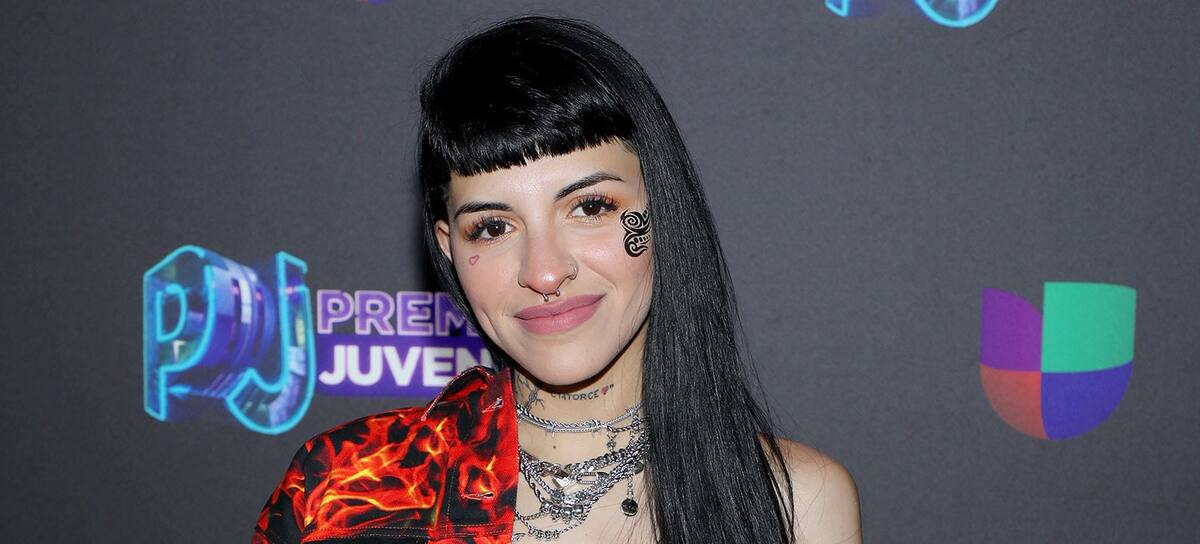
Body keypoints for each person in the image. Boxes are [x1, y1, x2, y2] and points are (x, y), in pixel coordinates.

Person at [253, 15, 860, 544]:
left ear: (661, 210)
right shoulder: (344, 491)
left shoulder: (796, 504)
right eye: (493, 227)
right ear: (448, 247)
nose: (544, 271)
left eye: (590, 206)